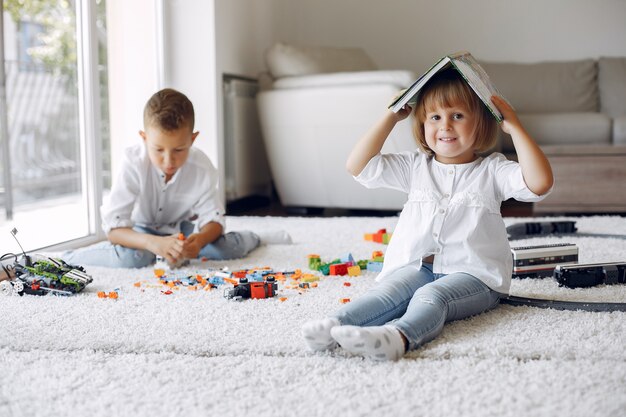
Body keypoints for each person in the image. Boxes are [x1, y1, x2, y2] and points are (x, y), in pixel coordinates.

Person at [301, 68, 554, 361]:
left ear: (483, 123)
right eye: (435, 117)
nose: (445, 125)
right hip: (419, 268)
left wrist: (516, 128)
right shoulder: (415, 167)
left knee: (430, 298)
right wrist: (390, 117)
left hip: (475, 276)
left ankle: (399, 337)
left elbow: (540, 182)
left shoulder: (493, 170)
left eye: (457, 116)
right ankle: (335, 326)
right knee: (387, 293)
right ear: (421, 125)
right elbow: (358, 166)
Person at [64, 88, 290, 268]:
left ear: (193, 139)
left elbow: (214, 220)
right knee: (134, 258)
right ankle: (69, 256)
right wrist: (153, 243)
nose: (168, 160)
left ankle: (255, 237)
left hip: (182, 231)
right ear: (144, 138)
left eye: (179, 149)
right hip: (141, 231)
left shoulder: (202, 167)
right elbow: (113, 230)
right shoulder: (133, 163)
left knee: (223, 250)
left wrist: (199, 241)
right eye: (158, 150)